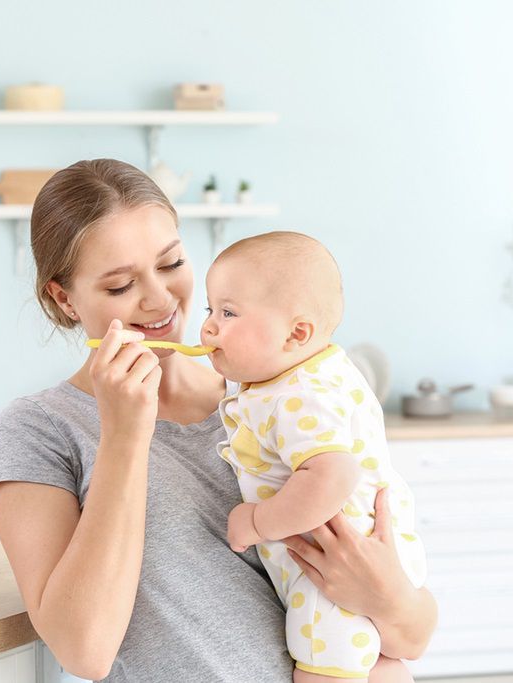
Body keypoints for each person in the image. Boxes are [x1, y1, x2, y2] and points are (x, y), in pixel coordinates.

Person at [0, 159, 437, 682]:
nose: (160, 299)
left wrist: (386, 595)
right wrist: (125, 435)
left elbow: (412, 637)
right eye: (121, 284)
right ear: (65, 298)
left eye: (171, 264)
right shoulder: (39, 430)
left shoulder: (275, 396)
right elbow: (85, 650)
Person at [202, 232, 426, 682]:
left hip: (332, 572)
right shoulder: (311, 370)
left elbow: (333, 474)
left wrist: (257, 521)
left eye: (228, 313)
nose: (208, 327)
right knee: (382, 667)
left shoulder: (299, 396)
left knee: (320, 671)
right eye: (210, 311)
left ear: (296, 333)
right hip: (368, 562)